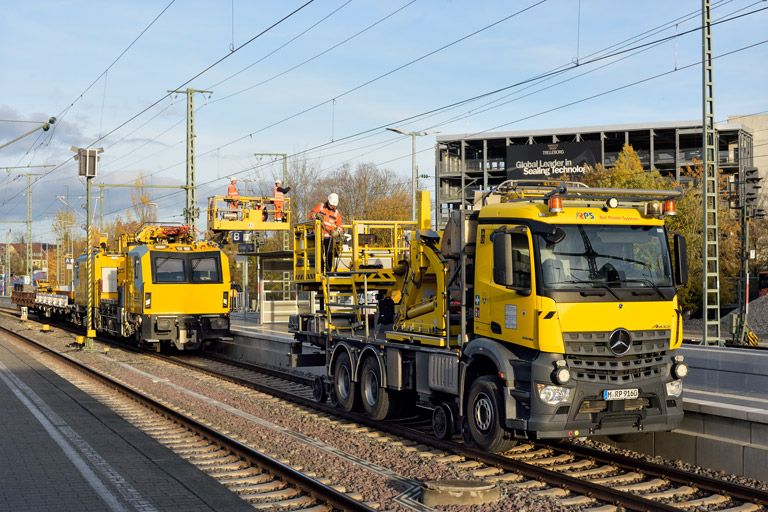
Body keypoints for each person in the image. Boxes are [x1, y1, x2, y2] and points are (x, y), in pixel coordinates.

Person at [309, 193, 343, 271]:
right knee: (319, 253)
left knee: (330, 253)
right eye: (331, 204)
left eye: (333, 205)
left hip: (329, 237)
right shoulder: (320, 206)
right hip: (318, 235)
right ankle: (320, 271)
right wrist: (316, 216)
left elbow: (340, 226)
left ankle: (328, 271)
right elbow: (311, 214)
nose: (332, 206)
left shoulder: (336, 213)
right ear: (328, 201)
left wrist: (337, 232)